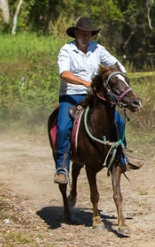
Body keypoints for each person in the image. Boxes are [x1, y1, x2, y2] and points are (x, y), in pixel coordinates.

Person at [53, 17, 128, 184]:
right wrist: (84, 82)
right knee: (64, 127)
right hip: (71, 95)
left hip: (94, 96)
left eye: (89, 34)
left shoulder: (98, 49)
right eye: (83, 33)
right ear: (76, 33)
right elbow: (64, 73)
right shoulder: (67, 50)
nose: (87, 36)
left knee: (119, 121)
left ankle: (121, 158)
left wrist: (118, 75)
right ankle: (62, 167)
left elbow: (116, 64)